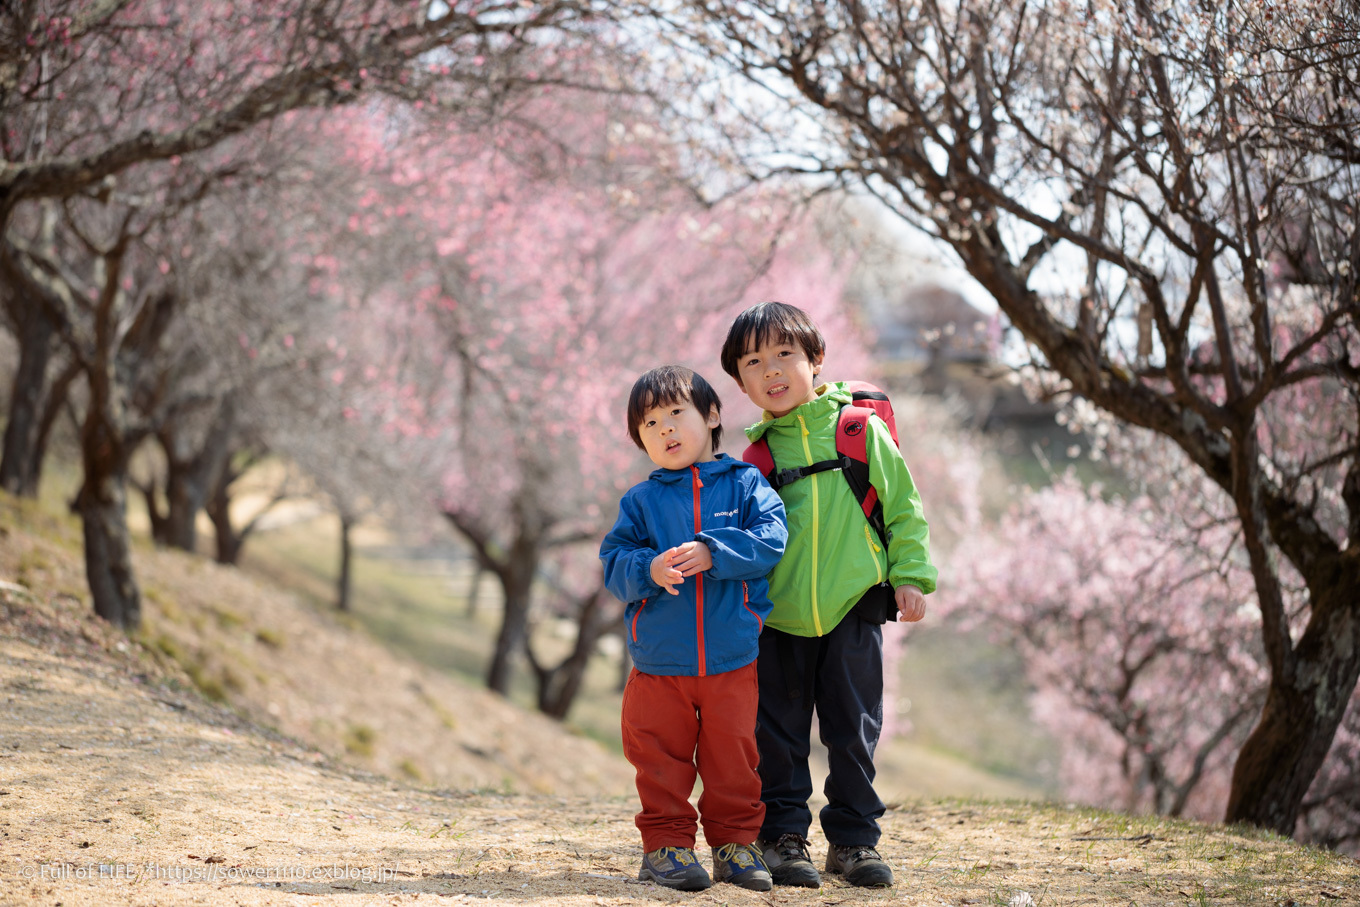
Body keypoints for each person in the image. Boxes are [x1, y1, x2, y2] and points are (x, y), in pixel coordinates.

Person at [719, 301, 937, 889]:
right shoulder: (757, 459)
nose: (772, 371)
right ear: (740, 381)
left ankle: (853, 841)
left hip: (853, 605)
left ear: (816, 360)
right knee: (779, 734)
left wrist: (911, 575)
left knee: (853, 729)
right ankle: (784, 837)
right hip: (780, 618)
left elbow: (903, 507)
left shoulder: (857, 432)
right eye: (754, 362)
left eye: (785, 354)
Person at [600, 365, 788, 892]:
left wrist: (715, 551)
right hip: (660, 663)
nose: (665, 429)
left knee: (734, 757)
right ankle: (666, 848)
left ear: (711, 416)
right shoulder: (641, 501)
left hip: (732, 658)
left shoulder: (746, 483)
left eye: (676, 413)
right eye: (650, 423)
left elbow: (772, 539)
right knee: (659, 757)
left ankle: (734, 844)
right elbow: (614, 562)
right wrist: (649, 571)